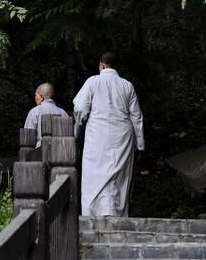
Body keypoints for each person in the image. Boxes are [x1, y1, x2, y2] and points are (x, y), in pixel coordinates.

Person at [73, 51, 144, 217]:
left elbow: (80, 109)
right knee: (118, 177)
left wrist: (76, 132)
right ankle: (117, 214)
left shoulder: (93, 81)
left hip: (98, 133)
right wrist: (139, 146)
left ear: (101, 65)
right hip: (123, 136)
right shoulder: (127, 85)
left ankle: (93, 215)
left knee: (95, 175)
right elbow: (137, 117)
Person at [23, 82, 69, 147]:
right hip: (61, 152)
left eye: (36, 95)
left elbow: (27, 137)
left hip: (40, 152)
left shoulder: (35, 111)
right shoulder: (63, 113)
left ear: (41, 97)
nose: (35, 97)